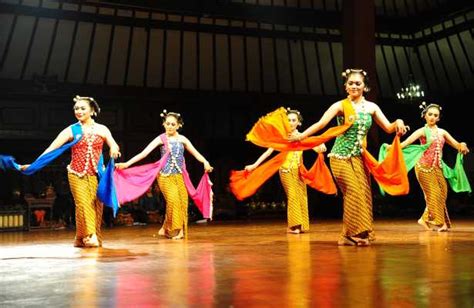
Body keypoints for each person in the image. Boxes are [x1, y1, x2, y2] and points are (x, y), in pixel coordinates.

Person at [289, 68, 409, 246]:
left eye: (358, 83)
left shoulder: (372, 107)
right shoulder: (339, 106)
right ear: (345, 86)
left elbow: (388, 128)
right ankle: (355, 232)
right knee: (353, 191)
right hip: (339, 157)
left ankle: (348, 234)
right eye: (350, 83)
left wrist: (398, 122)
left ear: (364, 87)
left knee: (364, 194)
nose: (354, 86)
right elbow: (321, 123)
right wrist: (301, 136)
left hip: (359, 159)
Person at [18, 96, 121, 247]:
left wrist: (113, 149)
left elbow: (114, 144)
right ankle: (90, 235)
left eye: (82, 108)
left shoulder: (102, 129)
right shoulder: (72, 129)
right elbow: (51, 149)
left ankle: (80, 237)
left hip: (96, 174)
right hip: (76, 174)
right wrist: (34, 164)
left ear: (92, 111)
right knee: (83, 203)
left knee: (95, 205)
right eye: (76, 109)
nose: (78, 111)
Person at [116, 111, 213, 240]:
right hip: (165, 176)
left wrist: (205, 162)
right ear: (164, 124)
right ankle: (173, 229)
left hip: (180, 176)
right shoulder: (161, 138)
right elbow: (143, 153)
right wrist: (127, 164)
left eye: (173, 124)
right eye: (167, 124)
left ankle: (178, 231)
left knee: (183, 202)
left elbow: (196, 154)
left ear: (178, 125)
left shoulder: (182, 139)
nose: (170, 126)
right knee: (173, 201)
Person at [242, 109, 328, 234]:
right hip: (286, 170)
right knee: (293, 195)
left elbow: (316, 147)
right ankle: (294, 226)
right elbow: (268, 152)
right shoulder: (282, 137)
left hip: (299, 171)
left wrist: (321, 147)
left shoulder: (302, 136)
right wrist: (254, 165)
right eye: (288, 120)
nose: (291, 122)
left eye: (294, 120)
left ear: (299, 123)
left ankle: (302, 225)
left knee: (301, 196)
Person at [397, 102, 470, 232]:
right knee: (434, 193)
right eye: (430, 114)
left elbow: (456, 144)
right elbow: (406, 143)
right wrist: (391, 147)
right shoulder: (422, 131)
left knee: (443, 192)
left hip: (438, 168)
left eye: (435, 115)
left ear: (438, 118)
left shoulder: (442, 132)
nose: (432, 117)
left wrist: (462, 144)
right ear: (424, 115)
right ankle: (439, 223)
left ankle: (424, 219)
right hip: (423, 167)